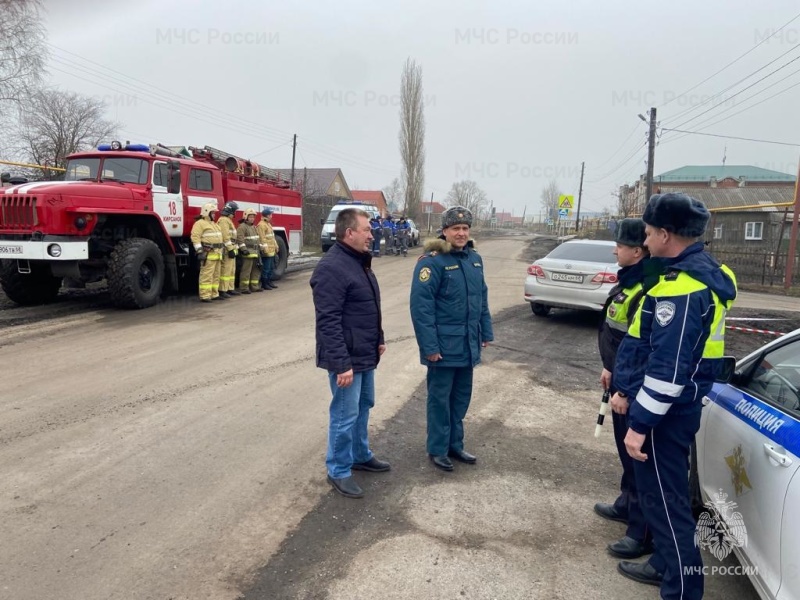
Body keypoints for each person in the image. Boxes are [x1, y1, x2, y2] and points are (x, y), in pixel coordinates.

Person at [612, 193, 737, 599]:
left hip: (665, 415)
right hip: (672, 409)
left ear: (666, 234)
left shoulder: (683, 289)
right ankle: (665, 566)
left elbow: (668, 369)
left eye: (648, 234)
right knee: (664, 500)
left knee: (667, 508)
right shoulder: (695, 275)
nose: (644, 242)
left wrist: (640, 423)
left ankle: (682, 590)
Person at [309, 207, 390, 499]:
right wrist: (342, 364)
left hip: (364, 352)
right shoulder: (332, 268)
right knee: (344, 414)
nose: (372, 234)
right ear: (349, 232)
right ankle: (339, 469)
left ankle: (359, 454)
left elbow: (368, 307)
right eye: (367, 229)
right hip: (347, 359)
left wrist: (378, 338)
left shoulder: (358, 262)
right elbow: (328, 321)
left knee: (364, 405)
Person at [409, 206, 493, 471]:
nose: (461, 233)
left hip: (467, 344)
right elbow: (421, 309)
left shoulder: (474, 260)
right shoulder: (431, 262)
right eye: (455, 228)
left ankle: (455, 445)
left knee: (461, 398)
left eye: (465, 228)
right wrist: (429, 347)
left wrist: (486, 331)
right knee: (439, 400)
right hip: (443, 348)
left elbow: (482, 299)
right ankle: (437, 448)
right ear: (444, 231)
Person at [592, 219, 654, 561]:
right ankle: (627, 504)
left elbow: (644, 349)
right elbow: (619, 336)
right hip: (620, 379)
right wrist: (609, 367)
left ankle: (640, 532)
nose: (614, 249)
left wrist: (626, 390)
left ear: (637, 251)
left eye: (620, 244)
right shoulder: (629, 284)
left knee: (639, 459)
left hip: (635, 389)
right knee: (625, 454)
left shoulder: (646, 288)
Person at [190, 202, 224, 303]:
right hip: (208, 254)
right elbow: (195, 237)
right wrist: (199, 250)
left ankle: (214, 294)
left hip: (217, 254)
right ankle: (205, 295)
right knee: (207, 275)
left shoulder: (214, 224)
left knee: (216, 275)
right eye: (212, 212)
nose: (214, 214)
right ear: (206, 212)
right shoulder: (199, 223)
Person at [236, 208, 263, 294]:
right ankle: (244, 288)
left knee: (256, 270)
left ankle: (254, 286)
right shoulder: (242, 227)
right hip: (248, 252)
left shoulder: (254, 227)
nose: (252, 218)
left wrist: (261, 248)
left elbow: (257, 239)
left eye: (253, 217)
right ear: (246, 217)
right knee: (246, 271)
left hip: (255, 252)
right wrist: (243, 249)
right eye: (250, 217)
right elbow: (240, 239)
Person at [217, 201, 240, 297]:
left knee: (231, 270)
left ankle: (230, 288)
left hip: (232, 248)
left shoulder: (228, 220)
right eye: (235, 211)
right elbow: (225, 236)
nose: (235, 213)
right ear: (231, 211)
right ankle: (223, 290)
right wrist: (230, 249)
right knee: (225, 270)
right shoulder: (223, 220)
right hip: (227, 249)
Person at [257, 207, 279, 290]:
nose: (271, 216)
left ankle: (269, 282)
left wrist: (276, 246)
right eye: (271, 214)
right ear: (267, 215)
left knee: (270, 268)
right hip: (267, 250)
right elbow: (262, 238)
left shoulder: (268, 224)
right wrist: (265, 249)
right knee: (266, 268)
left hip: (272, 250)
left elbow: (272, 238)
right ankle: (264, 283)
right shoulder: (261, 225)